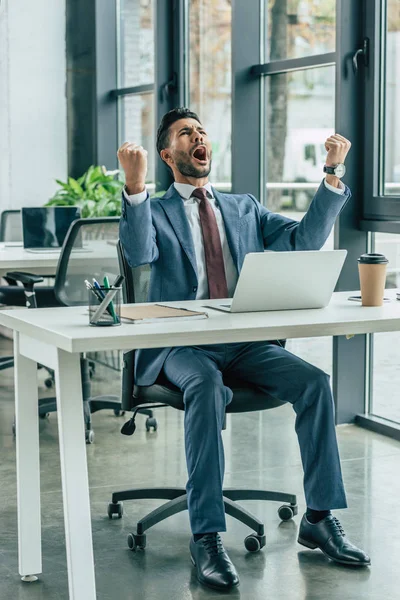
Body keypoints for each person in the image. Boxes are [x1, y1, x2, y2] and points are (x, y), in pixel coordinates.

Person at [118, 107, 370, 591]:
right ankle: (207, 535)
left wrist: (332, 176)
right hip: (180, 345)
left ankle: (318, 518)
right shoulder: (158, 210)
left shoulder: (244, 207)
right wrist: (134, 190)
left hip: (242, 341)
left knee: (314, 383)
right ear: (169, 155)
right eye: (186, 133)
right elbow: (139, 254)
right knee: (208, 387)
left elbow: (303, 243)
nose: (199, 137)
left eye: (202, 131)